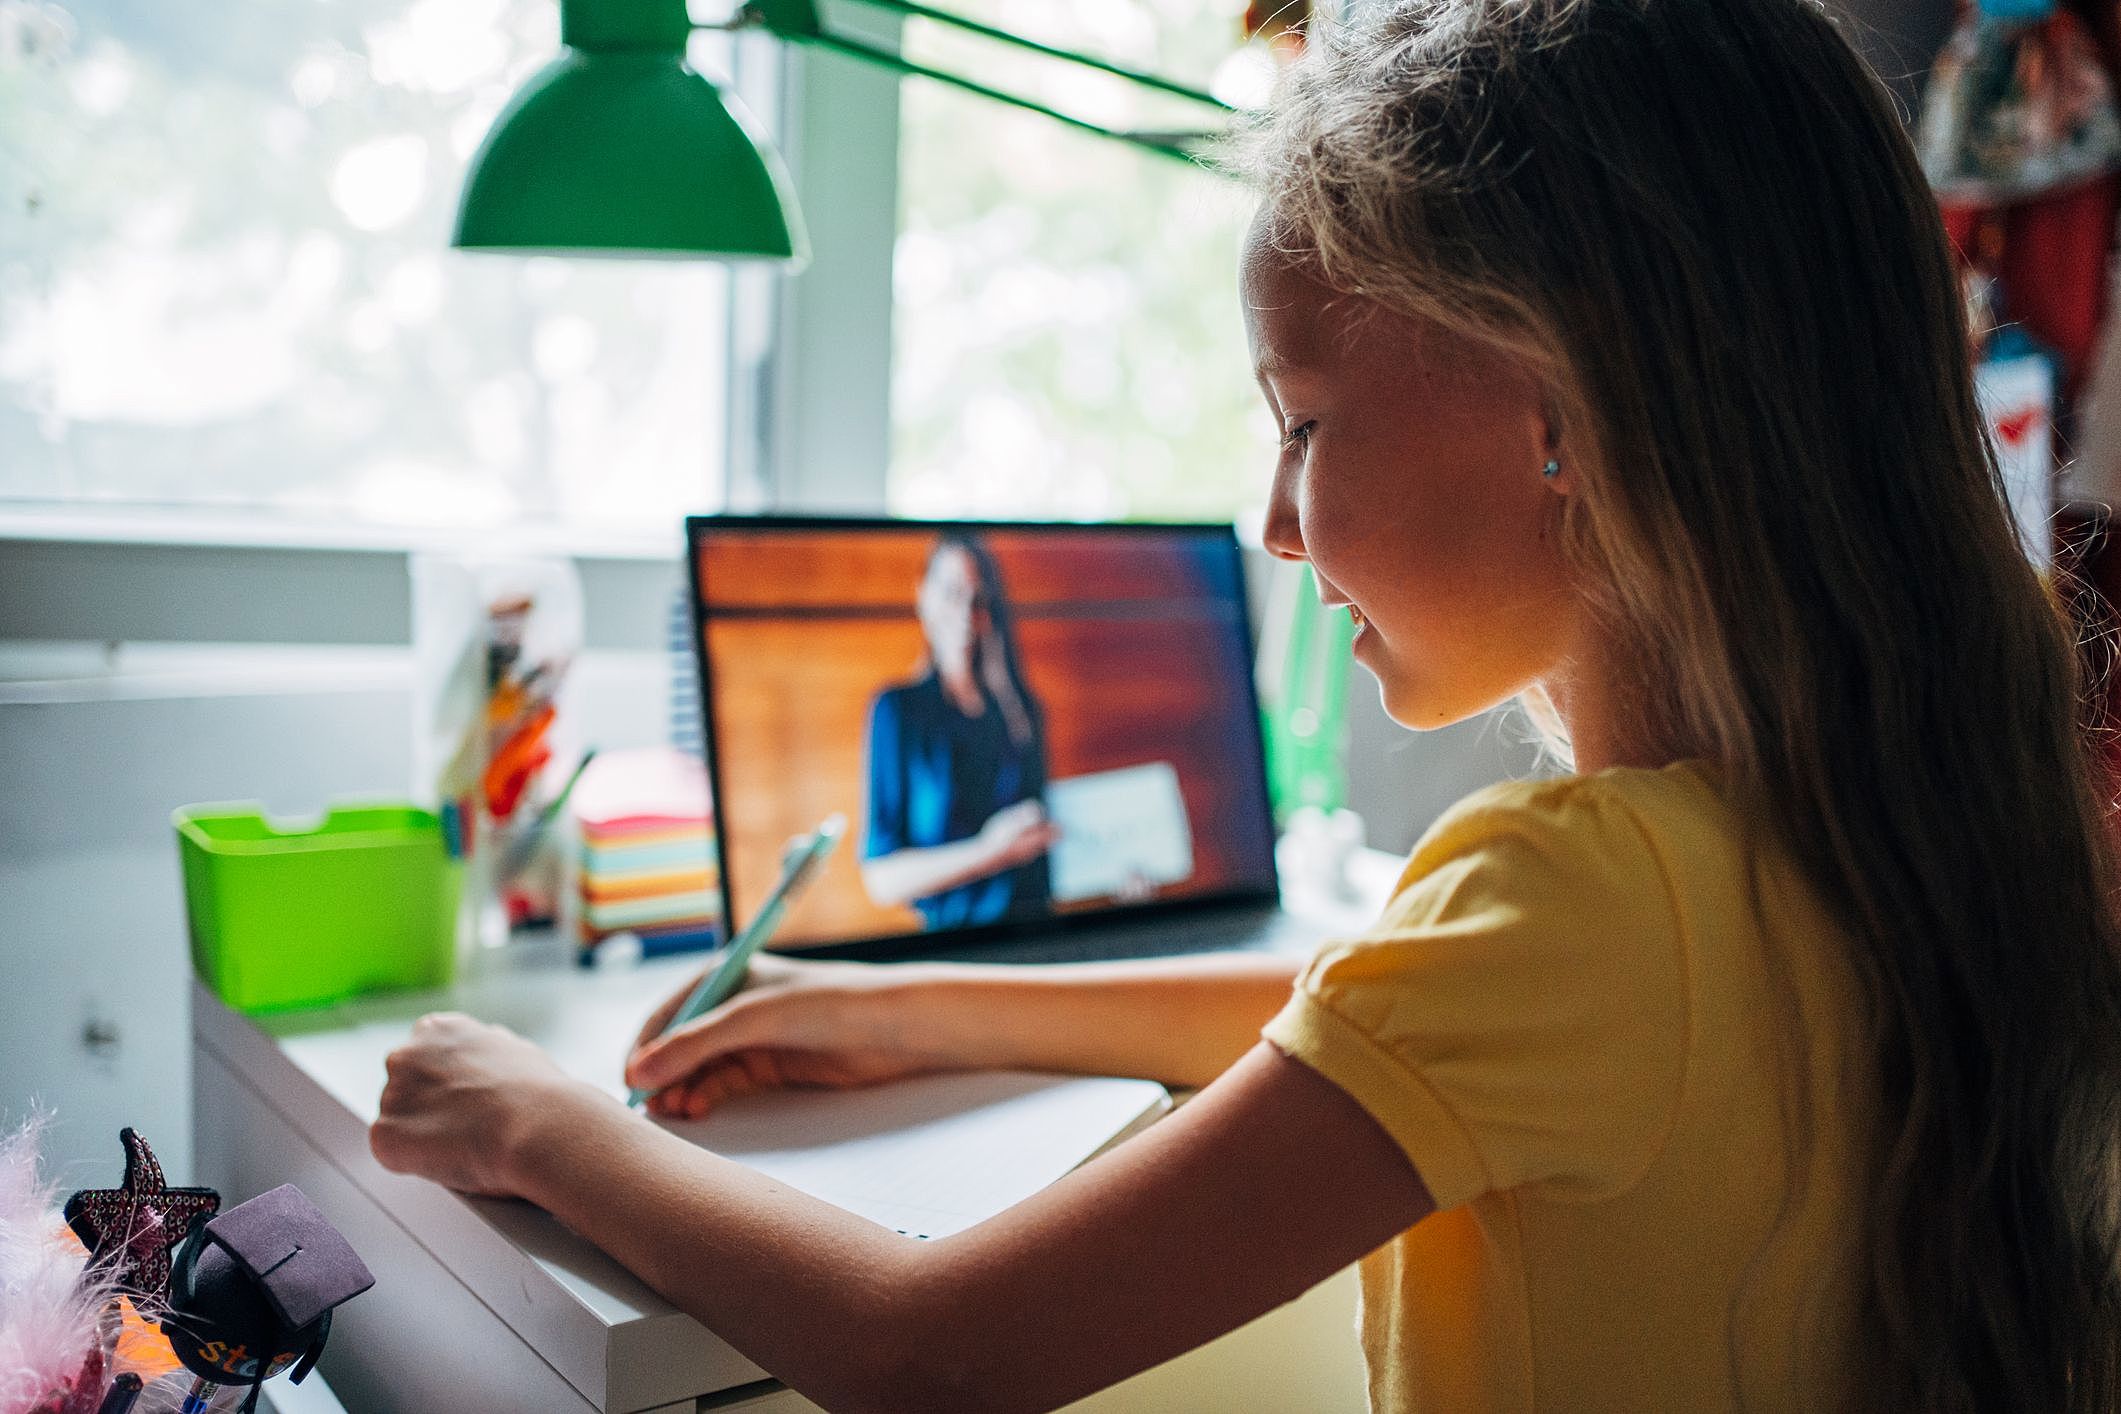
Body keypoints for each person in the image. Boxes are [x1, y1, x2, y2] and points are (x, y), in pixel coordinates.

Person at [368, 0, 2121, 1408]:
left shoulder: (1569, 893)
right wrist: (921, 1010)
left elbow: (933, 1349)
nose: (1277, 521)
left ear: (1558, 410)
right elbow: (1390, 1017)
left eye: (1301, 421)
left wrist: (544, 1120)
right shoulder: (1909, 811)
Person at [858, 532, 1057, 929]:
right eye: (952, 592)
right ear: (924, 597)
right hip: (953, 951)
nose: (967, 612)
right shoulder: (898, 711)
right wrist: (989, 852)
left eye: (979, 599)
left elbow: (1048, 844)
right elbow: (882, 879)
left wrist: (1116, 877)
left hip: (1039, 937)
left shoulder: (1021, 712)